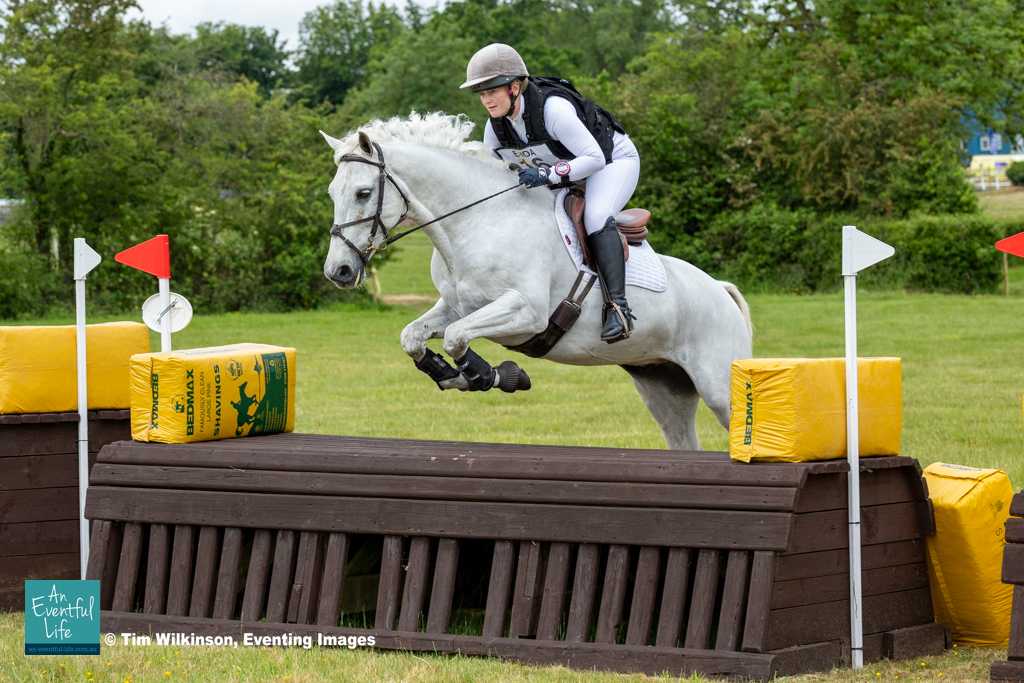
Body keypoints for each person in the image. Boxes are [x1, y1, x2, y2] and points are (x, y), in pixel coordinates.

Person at [461, 43, 640, 344]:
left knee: (596, 215)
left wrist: (547, 174)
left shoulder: (553, 110)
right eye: (481, 94)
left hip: (611, 162)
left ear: (514, 87)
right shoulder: (495, 128)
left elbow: (594, 159)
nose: (486, 100)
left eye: (492, 91)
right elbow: (495, 177)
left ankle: (618, 310)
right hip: (570, 171)